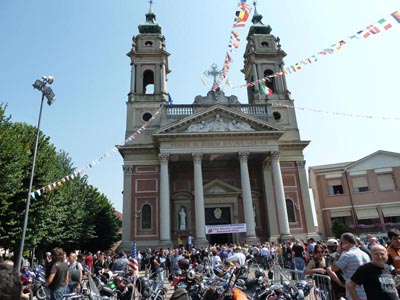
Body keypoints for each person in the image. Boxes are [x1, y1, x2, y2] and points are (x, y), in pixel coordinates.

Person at [332, 232, 371, 300]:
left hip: (354, 294)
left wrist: (338, 253)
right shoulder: (364, 254)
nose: (340, 244)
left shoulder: (347, 255)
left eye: (341, 242)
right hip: (366, 292)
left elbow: (334, 268)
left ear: (346, 242)